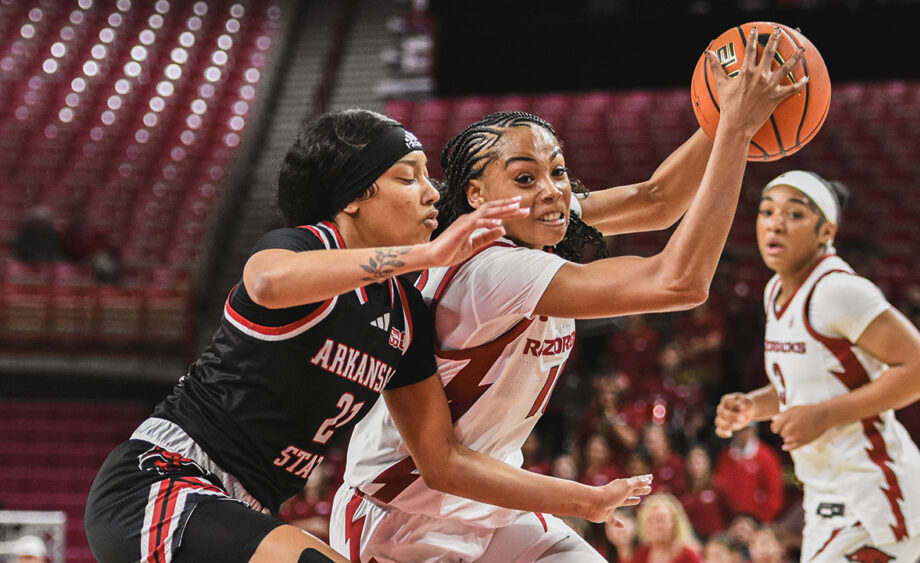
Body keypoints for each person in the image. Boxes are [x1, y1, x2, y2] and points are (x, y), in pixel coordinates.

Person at [84, 109, 650, 563]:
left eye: (430, 177)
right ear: (354, 198)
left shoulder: (404, 312)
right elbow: (266, 281)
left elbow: (444, 459)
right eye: (408, 178)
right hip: (161, 481)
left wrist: (582, 499)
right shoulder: (307, 246)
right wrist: (424, 253)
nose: (433, 194)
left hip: (245, 506)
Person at [332, 28, 808, 562]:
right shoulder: (494, 270)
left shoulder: (527, 222)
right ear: (476, 195)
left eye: (557, 170)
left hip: (491, 505)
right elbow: (678, 281)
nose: (553, 191)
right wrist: (738, 131)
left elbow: (656, 199)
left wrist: (724, 113)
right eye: (525, 177)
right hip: (401, 517)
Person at [714, 170, 920, 562]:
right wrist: (753, 406)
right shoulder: (775, 290)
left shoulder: (839, 290)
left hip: (877, 496)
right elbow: (804, 387)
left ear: (827, 231)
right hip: (828, 495)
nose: (775, 223)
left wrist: (824, 415)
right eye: (767, 211)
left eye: (794, 215)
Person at [712, 423, 785, 524]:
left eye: (745, 429)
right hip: (731, 524)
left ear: (753, 430)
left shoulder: (766, 457)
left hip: (759, 523)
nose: (741, 433)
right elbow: (719, 490)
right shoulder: (725, 457)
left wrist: (761, 520)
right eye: (738, 429)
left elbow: (774, 495)